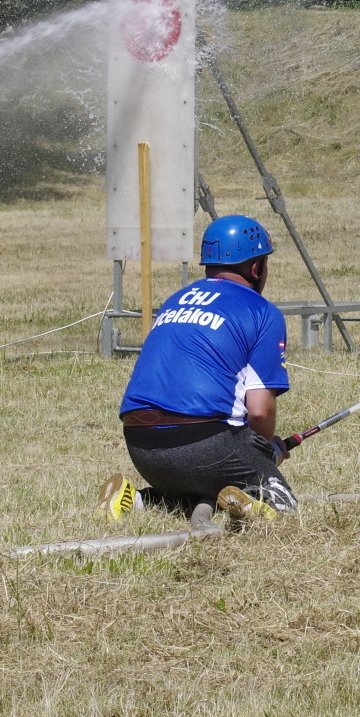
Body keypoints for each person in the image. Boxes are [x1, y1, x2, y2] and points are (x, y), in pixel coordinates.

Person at [100, 214, 297, 526]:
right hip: (205, 447)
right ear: (256, 268)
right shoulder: (262, 312)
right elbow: (259, 412)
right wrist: (262, 454)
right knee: (283, 504)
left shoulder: (175, 301)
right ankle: (253, 495)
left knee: (199, 489)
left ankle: (137, 499)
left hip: (141, 447)